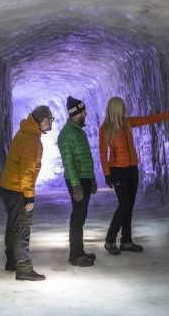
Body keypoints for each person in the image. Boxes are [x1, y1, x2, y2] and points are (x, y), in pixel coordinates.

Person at [99, 97, 169, 254]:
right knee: (124, 205)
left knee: (129, 206)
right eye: (122, 106)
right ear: (116, 108)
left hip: (132, 169)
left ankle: (126, 241)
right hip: (118, 171)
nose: (125, 108)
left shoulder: (127, 123)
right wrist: (107, 174)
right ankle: (110, 240)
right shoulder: (106, 128)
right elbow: (102, 153)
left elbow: (149, 119)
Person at [0, 105, 54, 281]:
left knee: (13, 224)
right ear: (43, 120)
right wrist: (29, 195)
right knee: (23, 226)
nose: (51, 122)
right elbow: (27, 171)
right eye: (50, 119)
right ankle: (23, 267)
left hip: (9, 187)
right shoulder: (31, 139)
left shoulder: (25, 132)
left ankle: (12, 260)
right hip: (18, 189)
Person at [56, 96, 98, 267]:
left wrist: (92, 177)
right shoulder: (66, 134)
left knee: (81, 216)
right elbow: (68, 161)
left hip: (84, 178)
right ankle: (75, 255)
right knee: (77, 216)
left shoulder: (78, 131)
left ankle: (79, 251)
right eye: (82, 112)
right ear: (75, 113)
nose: (85, 114)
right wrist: (76, 184)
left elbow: (85, 157)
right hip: (78, 180)